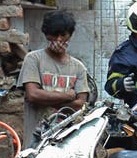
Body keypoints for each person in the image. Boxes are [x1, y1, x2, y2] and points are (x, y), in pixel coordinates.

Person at [19, 10, 89, 145]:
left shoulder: (78, 67)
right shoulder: (34, 59)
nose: (59, 40)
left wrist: (45, 98)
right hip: (36, 138)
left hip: (66, 140)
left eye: (63, 35)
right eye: (54, 35)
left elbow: (80, 104)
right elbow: (33, 95)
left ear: (70, 35)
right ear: (46, 35)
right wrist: (68, 96)